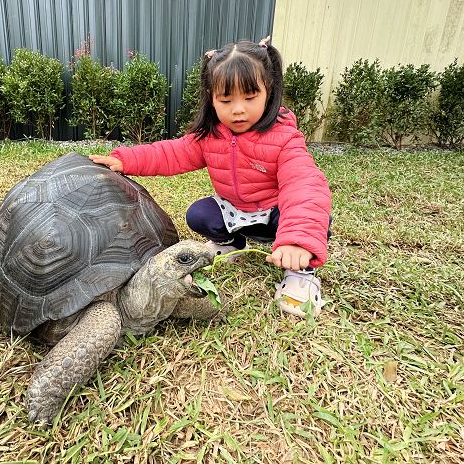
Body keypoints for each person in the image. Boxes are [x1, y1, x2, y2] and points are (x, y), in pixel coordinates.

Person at [90, 39, 332, 317]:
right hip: (238, 213)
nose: (238, 109)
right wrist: (126, 160)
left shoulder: (285, 139)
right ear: (211, 96)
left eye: (250, 97)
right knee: (200, 214)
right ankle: (231, 244)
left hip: (278, 216)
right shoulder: (210, 136)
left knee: (313, 219)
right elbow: (171, 153)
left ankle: (302, 274)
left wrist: (297, 239)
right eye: (226, 100)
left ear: (269, 90)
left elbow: (304, 185)